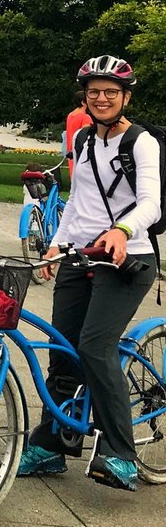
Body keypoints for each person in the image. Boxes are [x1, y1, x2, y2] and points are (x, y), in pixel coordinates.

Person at [18, 55, 159, 491]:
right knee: (63, 351)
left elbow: (151, 202)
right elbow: (79, 203)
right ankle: (53, 447)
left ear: (126, 97)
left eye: (111, 92)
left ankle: (121, 454)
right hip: (82, 255)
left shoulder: (142, 142)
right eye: (94, 91)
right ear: (86, 95)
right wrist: (58, 242)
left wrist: (122, 229)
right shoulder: (81, 140)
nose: (101, 98)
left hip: (128, 257)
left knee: (95, 347)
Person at [64, 90, 89, 178]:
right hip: (81, 154)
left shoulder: (71, 115)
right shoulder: (85, 117)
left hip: (71, 152)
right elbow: (86, 136)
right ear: (83, 102)